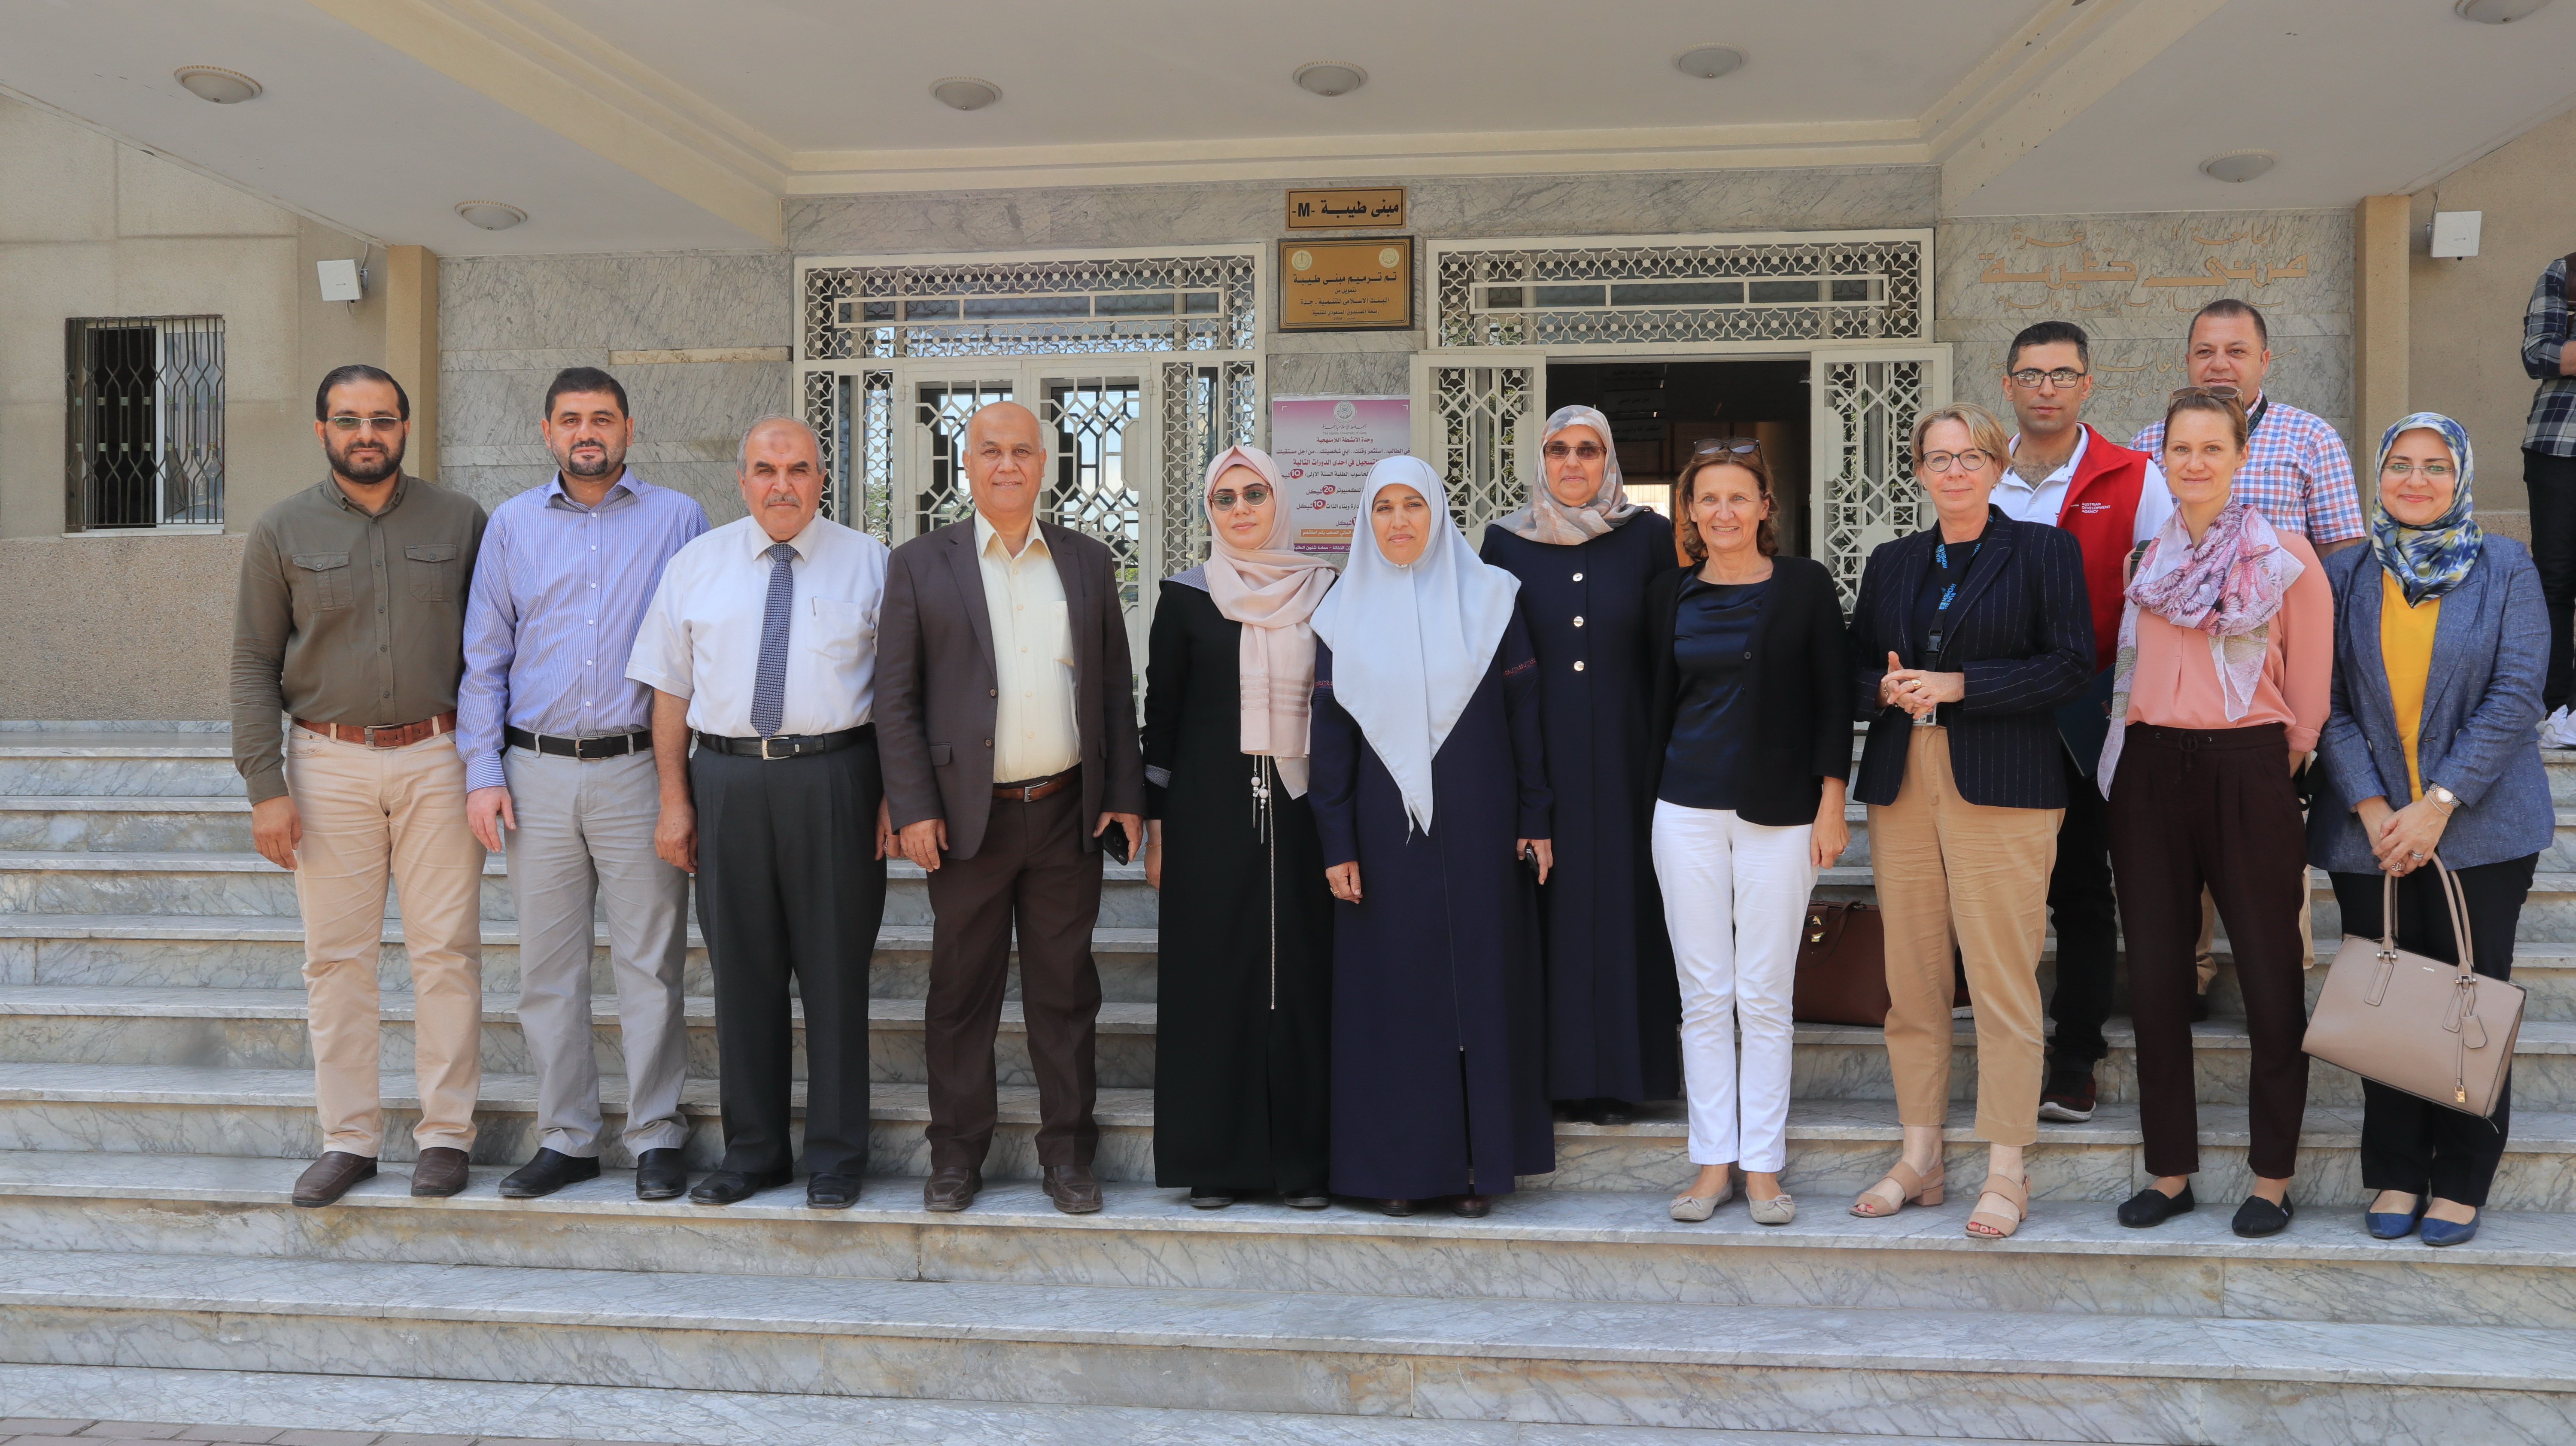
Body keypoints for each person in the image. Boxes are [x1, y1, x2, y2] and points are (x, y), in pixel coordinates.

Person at [877, 401, 1147, 1216]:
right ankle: (956, 1154)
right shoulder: (923, 563)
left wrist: (1126, 796)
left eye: (1021, 451)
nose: (1006, 464)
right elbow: (896, 698)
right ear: (966, 465)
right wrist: (913, 806)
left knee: (1065, 992)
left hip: (1065, 812)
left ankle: (1068, 1154)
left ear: (1044, 463)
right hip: (965, 820)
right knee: (961, 994)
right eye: (989, 450)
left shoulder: (1089, 562)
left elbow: (1111, 690)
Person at [230, 364, 489, 1207]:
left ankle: (446, 1133)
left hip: (438, 758)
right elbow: (253, 662)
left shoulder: (459, 521)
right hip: (326, 762)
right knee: (336, 959)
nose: (366, 433)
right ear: (323, 431)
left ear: (406, 426)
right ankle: (349, 1137)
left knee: (444, 953)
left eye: (382, 419)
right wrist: (266, 783)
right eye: (349, 420)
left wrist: (489, 762)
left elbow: (494, 651)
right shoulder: (280, 530)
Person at [458, 367, 709, 1203]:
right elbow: (485, 659)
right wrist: (483, 773)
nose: (587, 432)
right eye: (571, 419)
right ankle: (566, 1137)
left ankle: (657, 1136)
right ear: (547, 432)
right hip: (535, 773)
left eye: (602, 418)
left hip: (642, 768)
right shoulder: (511, 526)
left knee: (651, 963)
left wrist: (691, 783)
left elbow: (698, 653)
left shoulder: (679, 520)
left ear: (629, 431)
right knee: (548, 969)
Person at [627, 416, 890, 1209]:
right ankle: (754, 1152)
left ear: (822, 479)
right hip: (729, 781)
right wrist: (676, 801)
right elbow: (669, 694)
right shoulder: (695, 565)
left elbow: (900, 696)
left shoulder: (872, 563)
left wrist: (893, 797)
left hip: (836, 778)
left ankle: (838, 1156)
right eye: (767, 469)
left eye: (800, 468)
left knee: (837, 972)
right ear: (742, 479)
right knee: (742, 974)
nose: (783, 483)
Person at [1845, 402, 2092, 1240]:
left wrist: (1960, 685)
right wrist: (1881, 687)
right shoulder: (1892, 561)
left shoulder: (2044, 550)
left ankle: (2007, 1165)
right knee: (1912, 977)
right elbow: (1852, 666)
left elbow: (2070, 664)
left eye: (1971, 456)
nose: (1955, 470)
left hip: (2003, 782)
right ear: (1918, 470)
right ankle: (1921, 1154)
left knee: (2000, 976)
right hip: (1903, 778)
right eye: (1938, 458)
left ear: (1999, 464)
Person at [2311, 412, 2549, 1248]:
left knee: (2466, 997)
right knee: (2386, 1002)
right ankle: (2398, 1170)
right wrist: (2376, 807)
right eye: (2401, 465)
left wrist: (2437, 803)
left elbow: (2518, 693)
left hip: (2480, 829)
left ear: (2463, 477)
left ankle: (2462, 1176)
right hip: (2369, 834)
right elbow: (2328, 700)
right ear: (2379, 475)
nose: (2417, 480)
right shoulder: (2346, 571)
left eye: (2435, 466)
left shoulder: (2505, 566)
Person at [2102, 387, 2330, 1240]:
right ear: (2164, 459)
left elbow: (2309, 692)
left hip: (2249, 765)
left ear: (2242, 459)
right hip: (2151, 767)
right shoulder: (2146, 562)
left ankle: (2272, 1178)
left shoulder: (2286, 558)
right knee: (2159, 979)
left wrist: (2272, 762)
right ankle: (2171, 1172)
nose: (2194, 463)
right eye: (2181, 449)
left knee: (2272, 979)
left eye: (2212, 448)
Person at [1310, 456, 1554, 1218]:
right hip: (1384, 834)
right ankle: (1396, 1168)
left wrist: (1535, 816)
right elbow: (1331, 741)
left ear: (1439, 513)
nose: (1398, 522)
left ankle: (1476, 1167)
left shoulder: (1491, 598)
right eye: (1382, 508)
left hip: (1480, 822)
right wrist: (1336, 841)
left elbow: (1525, 720)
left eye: (1413, 505)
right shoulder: (1341, 611)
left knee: (1474, 995)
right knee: (1394, 1000)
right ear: (1366, 522)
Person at [1645, 443, 1850, 1226]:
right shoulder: (1671, 594)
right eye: (1708, 500)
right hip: (1684, 809)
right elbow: (1657, 705)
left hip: (1782, 813)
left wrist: (1833, 798)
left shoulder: (1803, 585)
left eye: (1739, 498)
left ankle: (1763, 1168)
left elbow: (1836, 698)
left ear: (1766, 506)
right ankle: (1712, 1164)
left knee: (1764, 995)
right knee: (1704, 996)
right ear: (1690, 512)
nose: (1723, 512)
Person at [2129, 299, 2356, 1000]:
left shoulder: (2308, 436)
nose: (2219, 363)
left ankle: (2277, 984)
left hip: (2266, 695)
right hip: (2173, 696)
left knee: (2267, 897)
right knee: (2171, 901)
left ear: (2264, 359)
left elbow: (2342, 556)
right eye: (2204, 351)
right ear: (2187, 360)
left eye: (2235, 350)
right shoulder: (2147, 441)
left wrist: (2303, 721)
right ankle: (2191, 980)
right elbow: (2140, 563)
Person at [1142, 444, 1338, 1209]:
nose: (1242, 509)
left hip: (1304, 810)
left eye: (1255, 493)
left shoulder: (1325, 591)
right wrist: (1157, 826)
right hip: (1208, 814)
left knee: (1300, 978)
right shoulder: (1186, 597)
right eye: (1225, 499)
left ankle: (1304, 1163)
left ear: (1280, 500)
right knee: (1212, 979)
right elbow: (1162, 720)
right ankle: (1215, 1160)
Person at [1990, 320, 2175, 1124]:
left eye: (2062, 374)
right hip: (1990, 713)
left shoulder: (2134, 476)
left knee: (2081, 891)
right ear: (2009, 385)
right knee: (1995, 893)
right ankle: (2004, 1047)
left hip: (2089, 712)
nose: (2046, 388)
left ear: (2086, 385)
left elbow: (2164, 597)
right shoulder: (1979, 472)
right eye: (2031, 374)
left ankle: (2074, 1057)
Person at [1479, 405, 1680, 1124]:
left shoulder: (1651, 537)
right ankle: (1554, 1077)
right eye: (1558, 449)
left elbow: (1671, 650)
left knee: (1629, 912)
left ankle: (1625, 1079)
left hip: (1632, 763)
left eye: (1588, 449)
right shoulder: (1504, 541)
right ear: (1541, 460)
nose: (1572, 463)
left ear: (1609, 459)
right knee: (1548, 913)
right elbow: (1487, 656)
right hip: (1537, 764)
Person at [2518, 253, 2576, 745]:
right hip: (2560, 444)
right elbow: (2539, 355)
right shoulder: (2568, 269)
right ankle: (2554, 704)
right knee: (2554, 578)